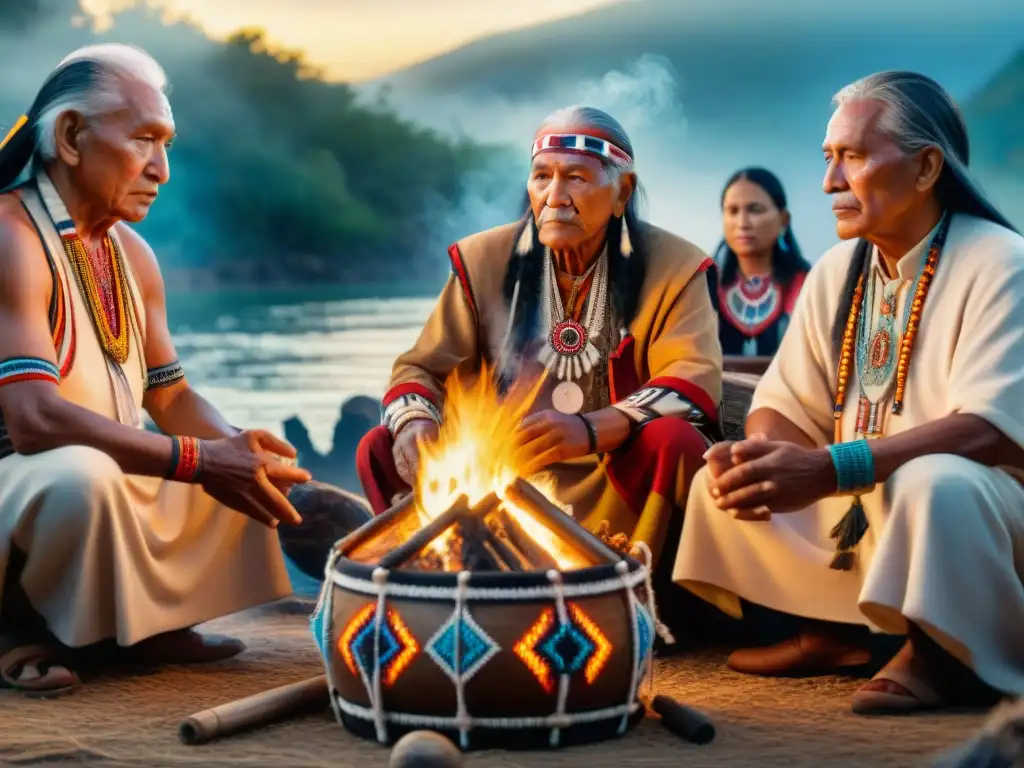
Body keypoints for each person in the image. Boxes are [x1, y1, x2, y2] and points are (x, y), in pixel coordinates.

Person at [673, 71, 1024, 714]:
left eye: (853, 158)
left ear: (925, 168)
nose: (829, 182)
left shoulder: (1004, 263)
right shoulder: (839, 269)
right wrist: (767, 461)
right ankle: (831, 633)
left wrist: (832, 468)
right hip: (858, 499)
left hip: (976, 515)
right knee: (717, 481)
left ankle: (947, 653)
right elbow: (783, 400)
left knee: (934, 485)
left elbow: (989, 429)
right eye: (829, 158)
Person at [0, 44, 315, 697]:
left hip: (82, 479)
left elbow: (171, 400)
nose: (162, 169)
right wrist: (200, 460)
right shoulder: (12, 235)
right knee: (82, 478)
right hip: (27, 486)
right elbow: (32, 422)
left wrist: (236, 451)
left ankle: (144, 628)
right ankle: (31, 632)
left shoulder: (132, 254)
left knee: (232, 463)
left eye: (167, 143)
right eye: (144, 139)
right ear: (70, 137)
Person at [357, 106, 723, 614]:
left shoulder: (676, 268)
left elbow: (692, 380)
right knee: (382, 446)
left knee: (674, 440)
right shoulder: (483, 259)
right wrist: (415, 421)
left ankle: (630, 600)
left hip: (611, 471)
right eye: (542, 177)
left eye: (576, 179)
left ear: (622, 191)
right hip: (505, 471)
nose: (555, 197)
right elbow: (420, 368)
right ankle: (445, 591)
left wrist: (593, 429)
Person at [708, 168, 811, 358]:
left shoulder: (808, 285)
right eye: (732, 211)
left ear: (783, 220)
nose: (742, 222)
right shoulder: (705, 285)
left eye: (755, 210)